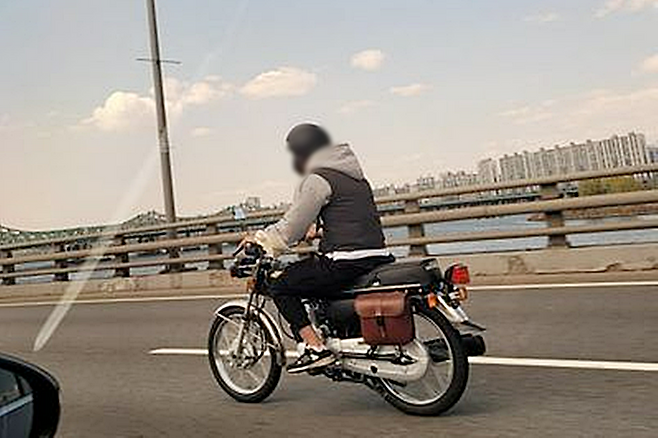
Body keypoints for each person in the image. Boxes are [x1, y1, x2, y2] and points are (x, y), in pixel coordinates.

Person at [242, 123, 393, 374]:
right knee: (316, 283)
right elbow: (352, 220)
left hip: (344, 260)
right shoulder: (356, 179)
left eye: (294, 152)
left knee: (281, 285)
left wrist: (260, 240)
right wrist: (320, 231)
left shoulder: (318, 179)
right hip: (377, 256)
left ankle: (315, 348)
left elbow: (290, 227)